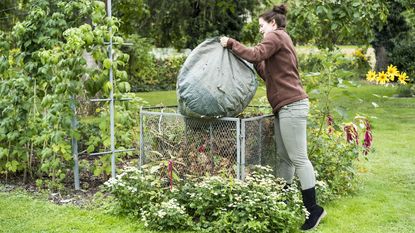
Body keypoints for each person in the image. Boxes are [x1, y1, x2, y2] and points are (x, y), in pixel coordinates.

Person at [220, 4, 326, 231]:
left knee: (299, 158)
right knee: (284, 157)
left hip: (292, 106)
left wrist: (231, 43)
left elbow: (257, 52)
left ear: (273, 24)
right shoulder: (280, 40)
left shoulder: (277, 36)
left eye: (261, 26)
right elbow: (266, 70)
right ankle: (283, 201)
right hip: (284, 107)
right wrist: (248, 60)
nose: (260, 31)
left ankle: (314, 210)